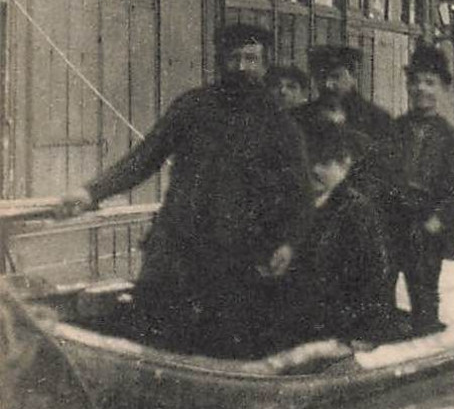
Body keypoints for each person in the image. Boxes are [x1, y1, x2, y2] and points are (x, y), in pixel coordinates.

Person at [58, 23, 309, 357]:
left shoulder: (280, 124)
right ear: (220, 61)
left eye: (251, 58)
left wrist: (289, 242)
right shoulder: (193, 107)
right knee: (149, 332)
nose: (241, 67)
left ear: (265, 64)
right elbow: (144, 158)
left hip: (235, 256)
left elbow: (300, 194)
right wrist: (90, 193)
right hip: (175, 247)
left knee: (221, 345)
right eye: (233, 58)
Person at [377, 45, 454, 335]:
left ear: (444, 90)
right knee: (379, 292)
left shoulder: (451, 139)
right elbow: (377, 176)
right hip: (392, 225)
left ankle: (425, 342)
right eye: (416, 82)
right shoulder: (392, 131)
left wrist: (437, 220)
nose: (421, 89)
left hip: (428, 230)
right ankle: (382, 349)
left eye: (430, 83)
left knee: (423, 296)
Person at [287, 125, 398, 345]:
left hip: (340, 332)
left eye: (325, 163)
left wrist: (365, 335)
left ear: (345, 164)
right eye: (308, 163)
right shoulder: (290, 206)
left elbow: (374, 278)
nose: (315, 171)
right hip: (294, 326)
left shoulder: (357, 212)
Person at [294, 44, 394, 143]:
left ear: (353, 76)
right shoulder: (300, 117)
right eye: (321, 77)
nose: (327, 84)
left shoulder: (376, 119)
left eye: (335, 77)